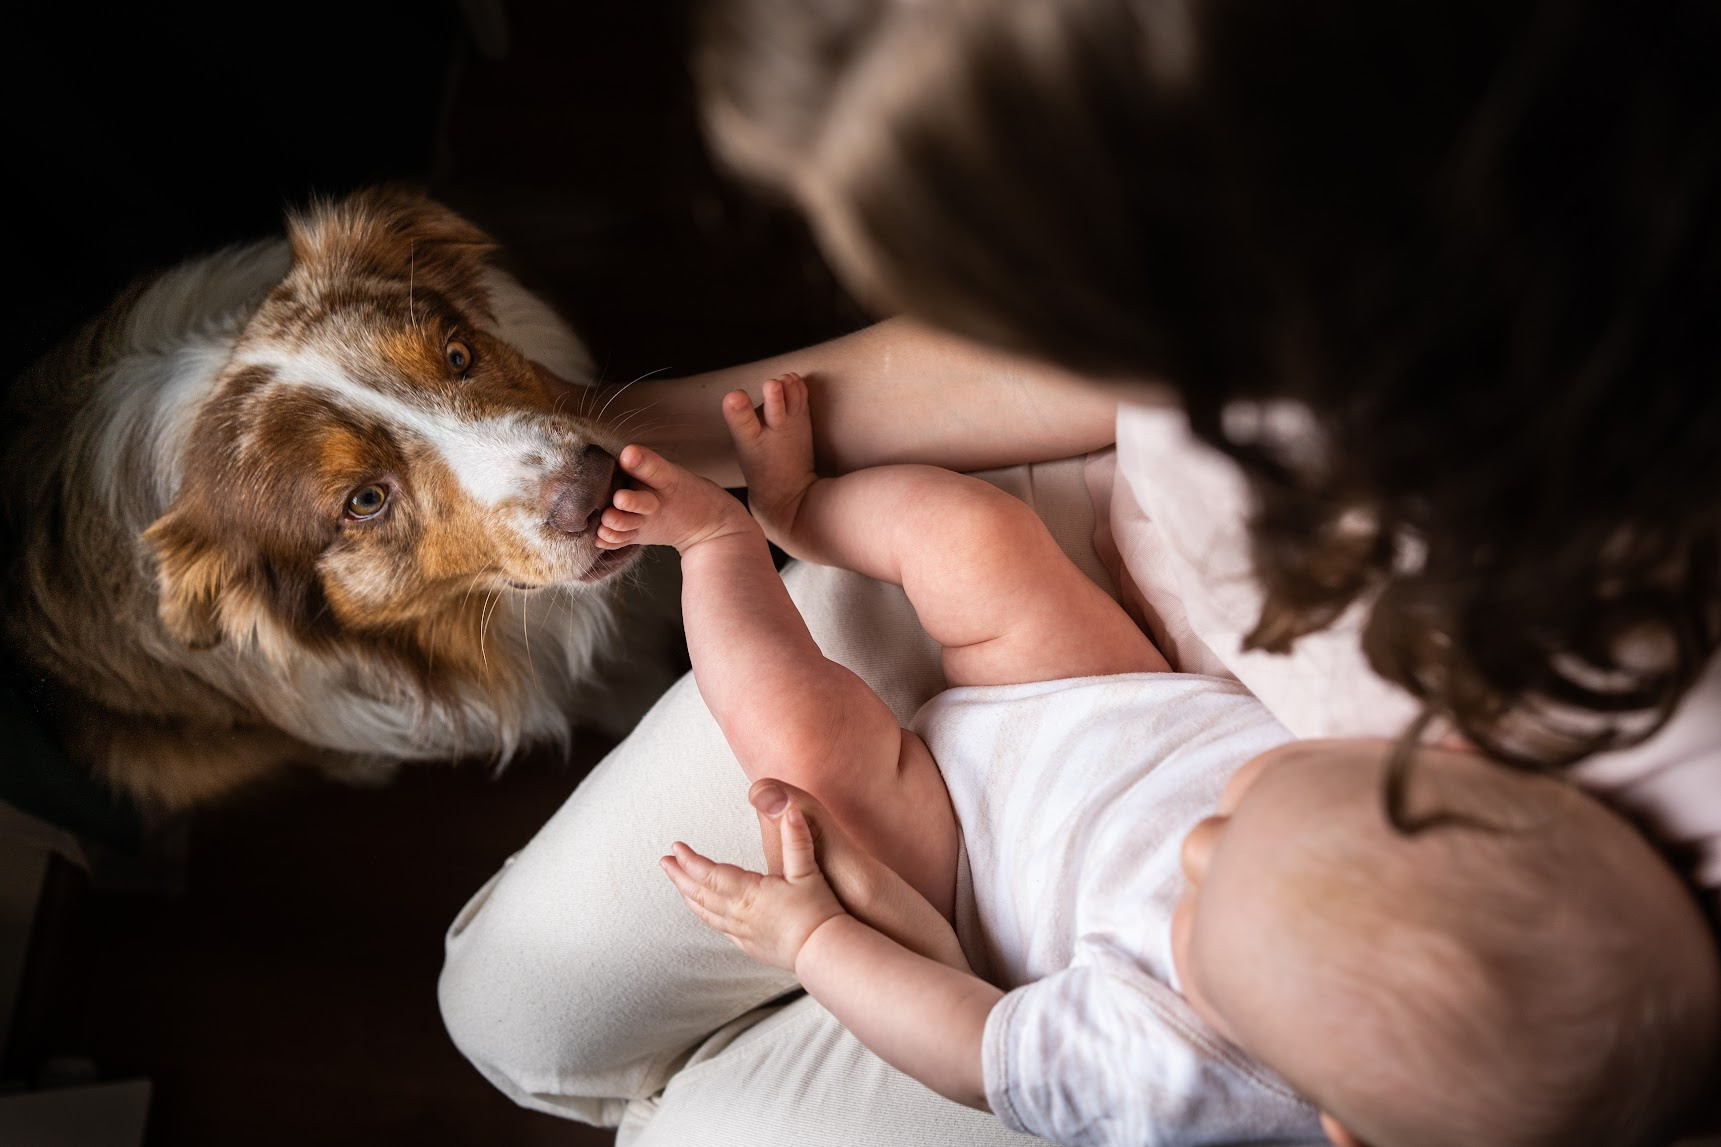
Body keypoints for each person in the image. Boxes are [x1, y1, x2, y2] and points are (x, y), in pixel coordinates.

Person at [440, 1, 1721, 1142]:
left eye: (1034, 293)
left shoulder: (1207, 1059)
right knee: (514, 1005)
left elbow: (989, 1055)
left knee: (698, 1111)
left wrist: (829, 946)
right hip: (1113, 669)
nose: (998, 327)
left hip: (1059, 918)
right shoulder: (1318, 226)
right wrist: (642, 434)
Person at [601, 372, 1716, 1147]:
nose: (1198, 837)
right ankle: (801, 510)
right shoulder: (1465, 813)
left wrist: (816, 939)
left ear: (1337, 1127)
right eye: (1268, 801)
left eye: (1202, 892)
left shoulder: (1176, 1081)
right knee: (971, 537)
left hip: (966, 866)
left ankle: (718, 544)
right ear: (1463, 764)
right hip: (1111, 699)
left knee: (804, 764)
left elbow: (967, 1046)